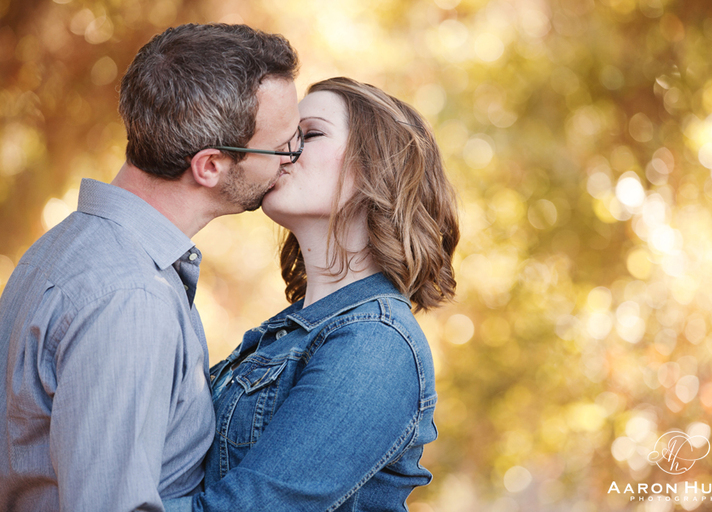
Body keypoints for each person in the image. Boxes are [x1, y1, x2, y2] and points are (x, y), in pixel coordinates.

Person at [0, 23, 301, 511]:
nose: (293, 159)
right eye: (283, 146)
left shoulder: (67, 247)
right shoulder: (130, 298)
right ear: (209, 166)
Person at [164, 77, 460, 511]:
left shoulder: (375, 343)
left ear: (376, 167)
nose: (283, 151)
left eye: (311, 134)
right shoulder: (284, 334)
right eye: (283, 137)